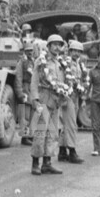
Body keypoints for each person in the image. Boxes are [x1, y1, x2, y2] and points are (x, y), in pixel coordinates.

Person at [29, 34, 71, 175]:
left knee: (53, 133)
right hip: (44, 99)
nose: (57, 47)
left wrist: (65, 94)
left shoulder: (61, 63)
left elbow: (64, 82)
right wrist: (34, 99)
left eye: (59, 44)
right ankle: (35, 163)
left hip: (56, 101)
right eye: (54, 44)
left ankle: (47, 163)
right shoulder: (41, 61)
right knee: (40, 132)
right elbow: (34, 80)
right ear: (48, 46)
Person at [57, 40, 88, 164]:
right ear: (69, 51)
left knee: (67, 124)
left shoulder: (80, 64)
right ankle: (72, 151)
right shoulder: (65, 63)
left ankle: (62, 150)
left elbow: (83, 78)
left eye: (78, 51)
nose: (76, 53)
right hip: (68, 95)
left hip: (76, 96)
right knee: (71, 124)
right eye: (74, 51)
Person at [19, 23, 39, 145]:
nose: (30, 52)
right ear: (25, 51)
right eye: (28, 51)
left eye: (31, 51)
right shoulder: (22, 62)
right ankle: (24, 136)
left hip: (32, 87)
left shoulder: (33, 61)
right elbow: (19, 77)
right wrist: (20, 91)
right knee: (24, 115)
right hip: (26, 86)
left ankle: (30, 135)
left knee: (32, 113)